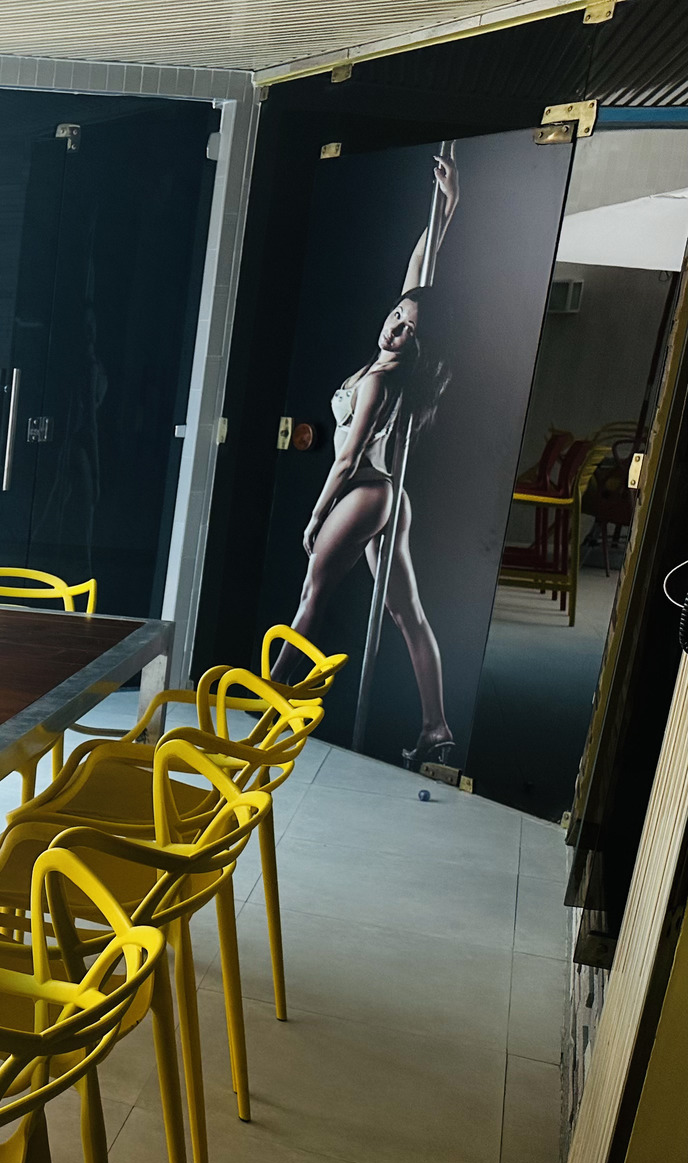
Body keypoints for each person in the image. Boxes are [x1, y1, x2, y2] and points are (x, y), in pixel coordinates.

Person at [274, 147, 459, 768]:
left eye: (408, 329)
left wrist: (315, 515)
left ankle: (270, 696)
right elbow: (421, 270)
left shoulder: (381, 381)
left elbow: (348, 458)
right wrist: (447, 207)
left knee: (313, 592)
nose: (395, 327)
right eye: (396, 316)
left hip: (366, 491)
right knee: (407, 614)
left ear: (419, 345)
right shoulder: (390, 363)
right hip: (390, 497)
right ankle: (436, 727)